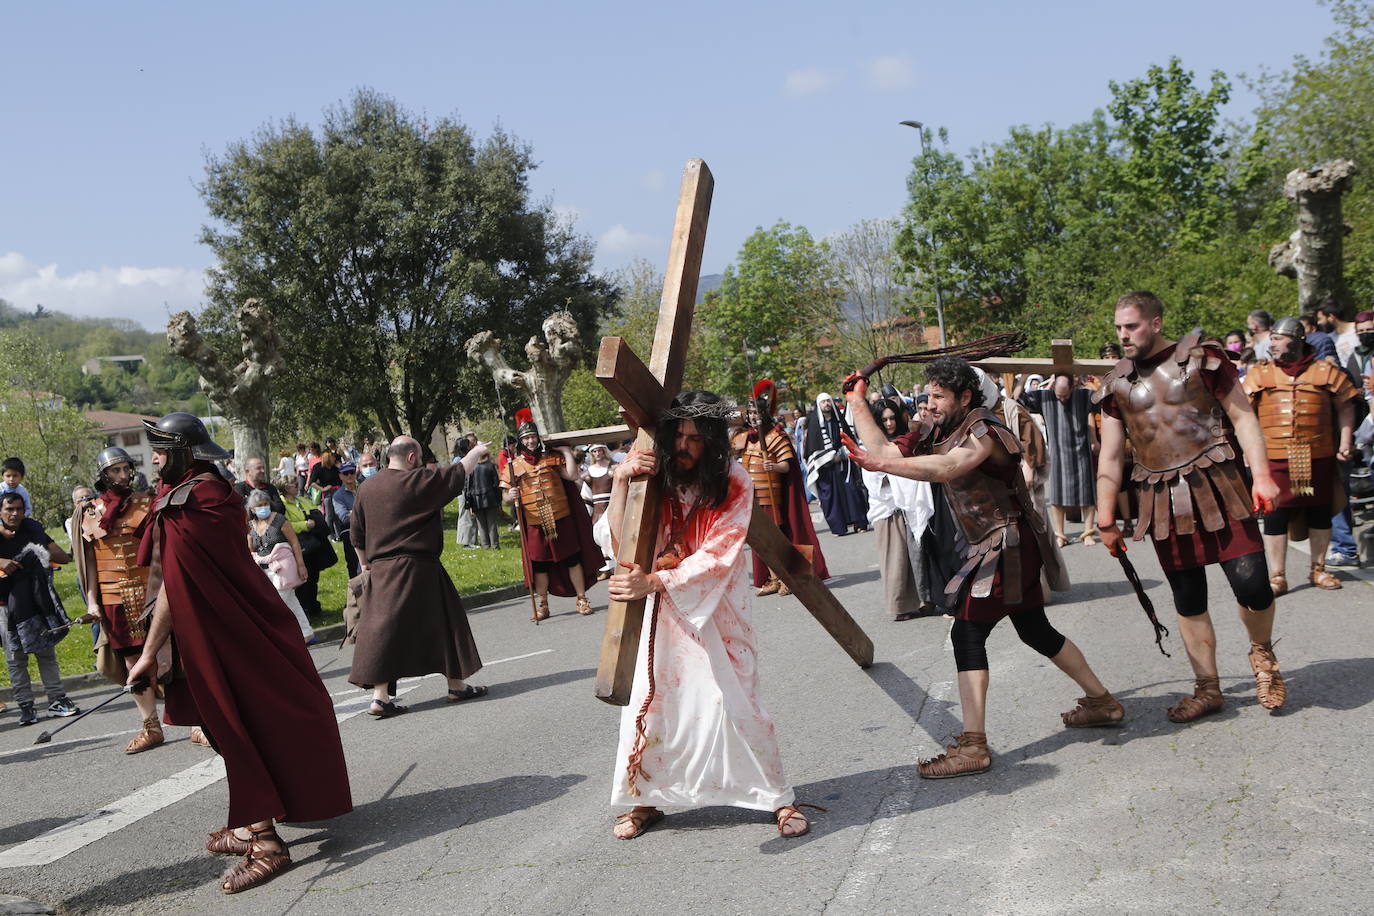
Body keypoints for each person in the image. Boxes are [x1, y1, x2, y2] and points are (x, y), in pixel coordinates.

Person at [844, 359, 1120, 779]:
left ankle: (974, 746)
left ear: (964, 398)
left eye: (939, 397)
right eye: (928, 394)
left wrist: (881, 466)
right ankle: (1101, 701)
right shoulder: (934, 428)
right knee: (1034, 629)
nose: (929, 403)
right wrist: (857, 403)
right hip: (995, 543)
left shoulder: (986, 430)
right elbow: (882, 452)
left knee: (967, 633)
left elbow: (946, 468)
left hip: (1006, 544)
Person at [127, 412, 351, 894]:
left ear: (186, 453)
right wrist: (151, 653)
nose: (155, 459)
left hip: (234, 633)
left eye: (162, 450)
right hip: (205, 635)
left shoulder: (203, 500)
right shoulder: (185, 498)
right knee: (219, 726)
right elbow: (173, 583)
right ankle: (253, 819)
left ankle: (266, 842)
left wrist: (152, 651)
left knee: (239, 724)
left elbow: (179, 583)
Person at [607, 390, 814, 839]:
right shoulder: (650, 474)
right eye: (677, 435)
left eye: (695, 438)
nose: (683, 445)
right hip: (663, 611)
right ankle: (645, 799)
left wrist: (656, 581)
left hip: (716, 605)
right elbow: (620, 537)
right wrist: (622, 480)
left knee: (737, 700)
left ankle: (778, 797)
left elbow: (721, 551)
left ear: (713, 440)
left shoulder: (734, 478)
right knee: (656, 698)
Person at [1093, 291, 1284, 721]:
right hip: (1161, 500)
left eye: (1132, 326)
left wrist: (1263, 475)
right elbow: (1110, 454)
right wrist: (1105, 515)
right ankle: (1207, 687)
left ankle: (1263, 653)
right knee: (1187, 595)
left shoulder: (1202, 358)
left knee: (1253, 584)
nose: (1124, 335)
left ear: (1156, 323)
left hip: (1221, 485)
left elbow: (1242, 417)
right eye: (1119, 327)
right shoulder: (1115, 383)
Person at [348, 436, 489, 716]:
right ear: (412, 458)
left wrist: (366, 564)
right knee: (446, 622)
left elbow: (356, 534)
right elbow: (459, 473)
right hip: (419, 566)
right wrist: (478, 451)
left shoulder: (367, 488)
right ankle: (456, 684)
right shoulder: (418, 481)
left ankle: (380, 697)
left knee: (383, 628)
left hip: (382, 569)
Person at [1242, 318, 1358, 593]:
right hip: (1274, 455)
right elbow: (1244, 416)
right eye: (1270, 338)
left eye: (1277, 338)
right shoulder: (1259, 374)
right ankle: (1277, 576)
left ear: (1294, 340)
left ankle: (1318, 570)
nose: (1271, 343)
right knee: (1275, 515)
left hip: (1318, 454)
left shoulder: (1325, 372)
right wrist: (1247, 452)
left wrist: (1345, 442)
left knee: (1320, 513)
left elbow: (1346, 406)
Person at [71, 447, 164, 753]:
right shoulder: (90, 511)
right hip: (114, 596)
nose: (123, 475)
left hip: (150, 590)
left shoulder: (146, 502)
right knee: (131, 661)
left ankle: (195, 723)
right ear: (103, 475)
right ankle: (150, 726)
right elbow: (91, 562)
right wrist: (92, 601)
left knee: (169, 658)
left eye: (126, 469)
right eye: (115, 471)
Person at [732, 380, 830, 595]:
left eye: (756, 413)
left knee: (781, 537)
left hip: (774, 497)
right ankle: (772, 578)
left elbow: (788, 465)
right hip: (753, 498)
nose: (753, 417)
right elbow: (732, 456)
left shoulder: (775, 436)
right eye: (750, 413)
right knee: (762, 541)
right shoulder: (746, 438)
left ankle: (791, 577)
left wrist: (773, 465)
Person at [502, 410, 601, 620]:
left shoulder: (552, 458)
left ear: (538, 438)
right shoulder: (514, 465)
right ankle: (543, 605)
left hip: (560, 517)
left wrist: (566, 452)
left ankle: (582, 599)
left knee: (573, 559)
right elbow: (506, 497)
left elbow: (572, 475)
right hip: (534, 521)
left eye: (533, 437)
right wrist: (510, 495)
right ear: (521, 441)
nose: (530, 441)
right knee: (539, 564)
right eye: (526, 438)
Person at [2, 492, 78, 726]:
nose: (14, 514)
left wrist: (69, 551)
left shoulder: (32, 528)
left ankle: (57, 699)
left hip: (35, 601)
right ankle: (26, 706)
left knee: (46, 651)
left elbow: (61, 556)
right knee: (16, 657)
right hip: (4, 605)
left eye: (19, 509)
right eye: (9, 509)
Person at [861, 397, 934, 620]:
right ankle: (900, 606)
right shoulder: (870, 445)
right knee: (896, 559)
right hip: (888, 508)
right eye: (884, 420)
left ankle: (926, 600)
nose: (890, 423)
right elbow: (873, 478)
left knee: (917, 556)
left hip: (911, 504)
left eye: (893, 418)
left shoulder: (904, 440)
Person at [1020, 374, 1099, 547]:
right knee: (1057, 495)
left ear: (1072, 387)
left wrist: (1094, 439)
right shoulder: (1046, 396)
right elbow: (1021, 399)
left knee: (1087, 493)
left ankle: (1088, 532)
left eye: (1065, 395)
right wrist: (1047, 386)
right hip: (1057, 452)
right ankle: (1060, 534)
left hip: (1081, 449)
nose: (1062, 399)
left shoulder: (1083, 395)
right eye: (1058, 395)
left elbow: (1101, 400)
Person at [246, 489, 315, 642]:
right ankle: (306, 632)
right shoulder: (251, 526)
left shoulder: (280, 520)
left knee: (278, 602)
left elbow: (295, 543)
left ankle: (280, 636)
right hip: (265, 569)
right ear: (252, 509)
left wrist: (301, 565)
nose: (263, 507)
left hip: (284, 567)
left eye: (265, 504)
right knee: (291, 601)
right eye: (259, 505)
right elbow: (251, 548)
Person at [803, 393, 869, 536]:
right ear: (819, 405)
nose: (826, 404)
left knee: (852, 491)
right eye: (823, 402)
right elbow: (812, 449)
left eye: (828, 401)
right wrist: (830, 458)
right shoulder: (814, 423)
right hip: (826, 469)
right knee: (831, 497)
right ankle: (838, 527)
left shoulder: (839, 420)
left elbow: (849, 439)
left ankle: (860, 522)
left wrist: (843, 454)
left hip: (844, 465)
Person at [277, 475, 333, 619]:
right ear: (285, 487)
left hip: (313, 545)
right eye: (293, 484)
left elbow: (316, 513)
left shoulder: (302, 500)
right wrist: (304, 525)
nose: (297, 485)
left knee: (313, 577)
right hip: (299, 546)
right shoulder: (281, 504)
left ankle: (314, 607)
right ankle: (304, 609)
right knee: (302, 581)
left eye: (296, 483)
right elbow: (285, 525)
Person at [581, 444, 616, 576]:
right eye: (594, 451)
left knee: (616, 536)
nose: (597, 453)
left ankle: (617, 567)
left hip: (613, 506)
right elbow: (586, 496)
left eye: (599, 450)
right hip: (597, 510)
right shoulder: (588, 473)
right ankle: (606, 569)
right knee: (600, 538)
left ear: (604, 451)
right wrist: (586, 514)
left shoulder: (614, 468)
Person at [464, 448, 503, 549]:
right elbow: (496, 484)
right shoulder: (491, 466)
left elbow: (468, 485)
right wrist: (499, 500)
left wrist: (468, 500)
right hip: (490, 498)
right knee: (492, 523)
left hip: (476, 499)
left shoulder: (472, 467)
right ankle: (494, 545)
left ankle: (485, 545)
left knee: (481, 524)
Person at [332, 462, 362, 577]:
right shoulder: (338, 496)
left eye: (352, 472)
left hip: (369, 532)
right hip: (350, 535)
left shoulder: (363, 487)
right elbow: (344, 517)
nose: (349, 475)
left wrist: (352, 511)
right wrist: (363, 512)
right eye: (345, 473)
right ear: (340, 476)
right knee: (354, 568)